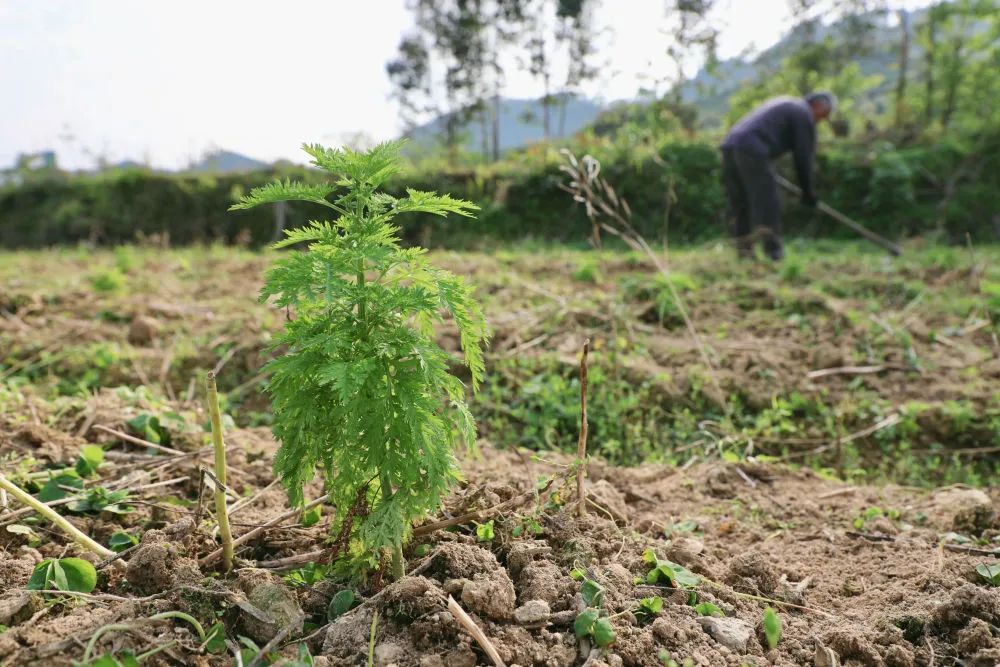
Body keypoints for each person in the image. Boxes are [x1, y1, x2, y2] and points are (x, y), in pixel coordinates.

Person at [720, 92, 837, 260]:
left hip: (730, 145)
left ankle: (744, 252)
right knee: (768, 202)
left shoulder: (788, 105)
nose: (821, 121)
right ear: (818, 106)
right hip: (752, 148)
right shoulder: (803, 114)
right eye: (824, 116)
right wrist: (808, 192)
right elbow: (803, 157)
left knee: (740, 203)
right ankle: (773, 253)